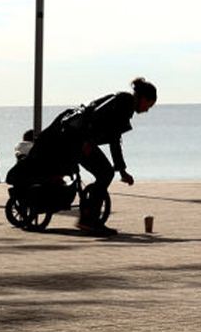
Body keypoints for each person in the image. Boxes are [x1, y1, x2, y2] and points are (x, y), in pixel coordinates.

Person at [64, 78, 158, 235]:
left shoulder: (126, 106)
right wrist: (88, 140)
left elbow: (115, 141)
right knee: (105, 173)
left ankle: (90, 218)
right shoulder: (123, 100)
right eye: (149, 105)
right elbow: (95, 114)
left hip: (81, 139)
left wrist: (122, 171)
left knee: (106, 173)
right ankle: (88, 220)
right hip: (79, 140)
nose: (147, 110)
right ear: (143, 98)